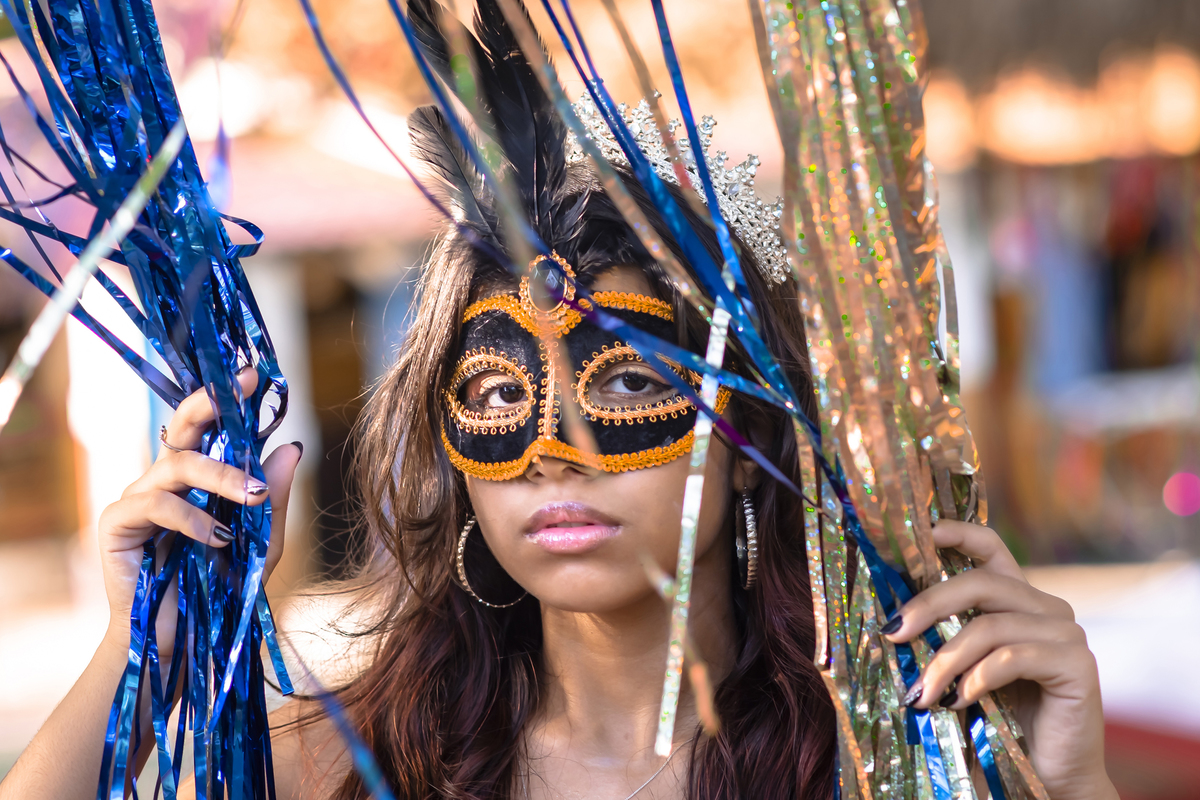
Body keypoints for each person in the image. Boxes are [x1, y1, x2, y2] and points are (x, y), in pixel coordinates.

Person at [1, 2, 1117, 799]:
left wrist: (1072, 783)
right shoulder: (347, 760)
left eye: (629, 378)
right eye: (493, 388)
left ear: (754, 442)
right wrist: (139, 662)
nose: (554, 448)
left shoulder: (890, 763)